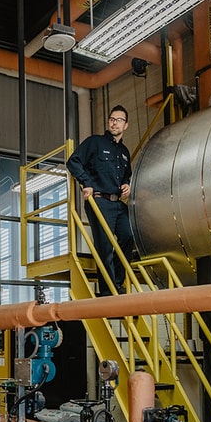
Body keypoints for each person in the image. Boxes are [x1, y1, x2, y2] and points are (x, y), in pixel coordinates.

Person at [67, 105, 135, 295]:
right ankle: (108, 290)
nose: (114, 123)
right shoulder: (95, 143)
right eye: (112, 119)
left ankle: (117, 282)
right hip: (99, 201)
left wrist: (126, 184)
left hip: (117, 203)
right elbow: (73, 161)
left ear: (126, 125)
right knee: (104, 245)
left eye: (119, 120)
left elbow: (126, 175)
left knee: (128, 237)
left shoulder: (124, 152)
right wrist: (86, 182)